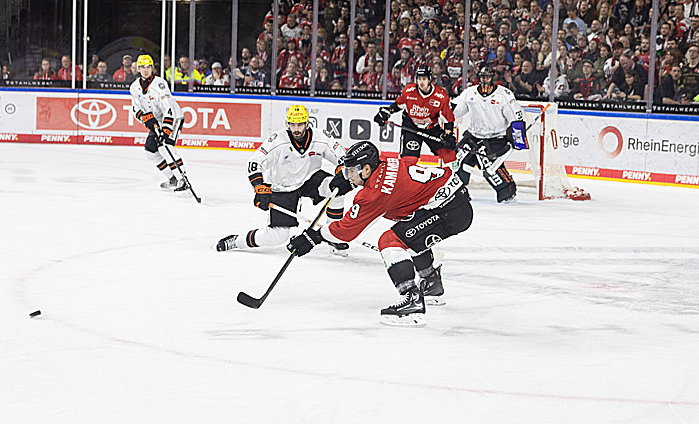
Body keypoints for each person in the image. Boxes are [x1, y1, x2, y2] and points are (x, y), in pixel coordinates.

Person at [285, 141, 473, 327]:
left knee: (390, 240)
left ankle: (412, 301)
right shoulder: (383, 162)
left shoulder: (375, 193)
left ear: (366, 169)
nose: (348, 175)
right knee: (409, 233)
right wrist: (348, 182)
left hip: (449, 212)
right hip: (451, 200)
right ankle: (431, 283)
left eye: (351, 171)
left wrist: (313, 237)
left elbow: (346, 231)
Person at [217, 104, 350, 255]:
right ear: (287, 124)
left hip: (310, 179)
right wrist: (259, 187)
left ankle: (333, 235)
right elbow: (254, 163)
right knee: (277, 237)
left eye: (300, 124)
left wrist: (341, 172)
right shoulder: (277, 140)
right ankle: (237, 241)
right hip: (283, 187)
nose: (296, 129)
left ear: (307, 123)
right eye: (292, 124)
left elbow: (342, 157)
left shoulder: (322, 137)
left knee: (338, 188)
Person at [451, 64, 527, 203]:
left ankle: (507, 194)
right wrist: (442, 111)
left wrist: (517, 137)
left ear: (493, 78)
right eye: (482, 77)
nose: (485, 80)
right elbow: (456, 109)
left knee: (491, 171)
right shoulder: (470, 92)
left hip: (495, 139)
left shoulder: (504, 95)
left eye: (487, 78)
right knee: (456, 162)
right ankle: (458, 192)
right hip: (473, 137)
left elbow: (516, 116)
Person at [128, 54, 189, 191]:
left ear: (152, 68)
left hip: (173, 118)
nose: (145, 70)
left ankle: (182, 179)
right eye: (143, 67)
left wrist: (166, 130)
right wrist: (147, 120)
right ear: (138, 69)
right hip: (157, 121)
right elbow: (136, 109)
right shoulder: (134, 87)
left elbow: (169, 109)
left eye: (148, 67)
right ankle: (172, 177)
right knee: (150, 151)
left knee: (164, 146)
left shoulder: (160, 85)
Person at [374, 65, 456, 165]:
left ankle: (453, 179)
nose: (421, 82)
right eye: (419, 79)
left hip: (431, 129)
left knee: (449, 155)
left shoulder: (440, 96)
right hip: (411, 128)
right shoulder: (409, 91)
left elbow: (448, 119)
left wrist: (448, 135)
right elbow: (398, 105)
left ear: (430, 79)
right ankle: (406, 179)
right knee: (408, 161)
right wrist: (386, 113)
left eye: (424, 79)